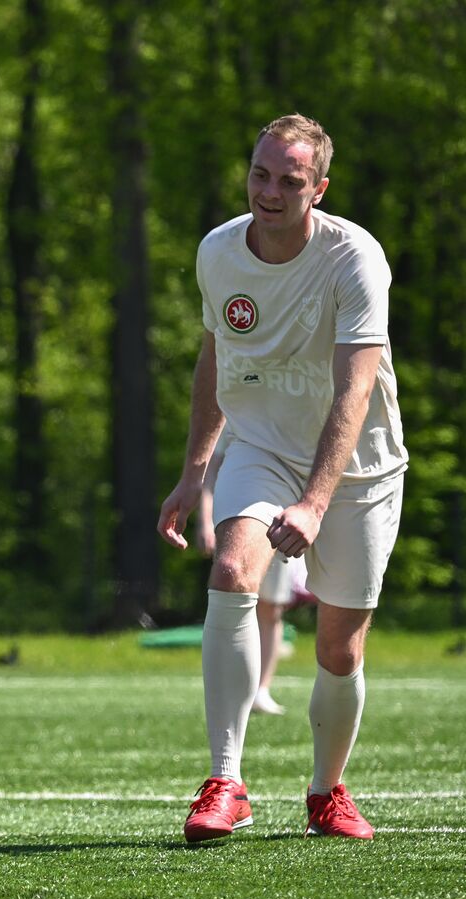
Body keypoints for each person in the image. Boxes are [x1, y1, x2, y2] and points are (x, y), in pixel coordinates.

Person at [157, 114, 407, 843]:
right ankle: (226, 780)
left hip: (358, 464)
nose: (269, 192)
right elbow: (215, 359)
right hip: (260, 443)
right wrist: (193, 471)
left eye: (289, 181)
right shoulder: (217, 251)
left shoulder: (355, 258)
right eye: (260, 174)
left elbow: (354, 391)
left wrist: (316, 500)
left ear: (318, 189)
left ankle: (326, 791)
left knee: (339, 648)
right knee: (232, 571)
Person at [198, 434, 299, 715]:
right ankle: (231, 692)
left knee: (271, 608)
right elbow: (211, 472)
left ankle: (261, 689)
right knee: (232, 599)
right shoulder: (236, 407)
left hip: (282, 517)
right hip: (238, 519)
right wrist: (205, 520)